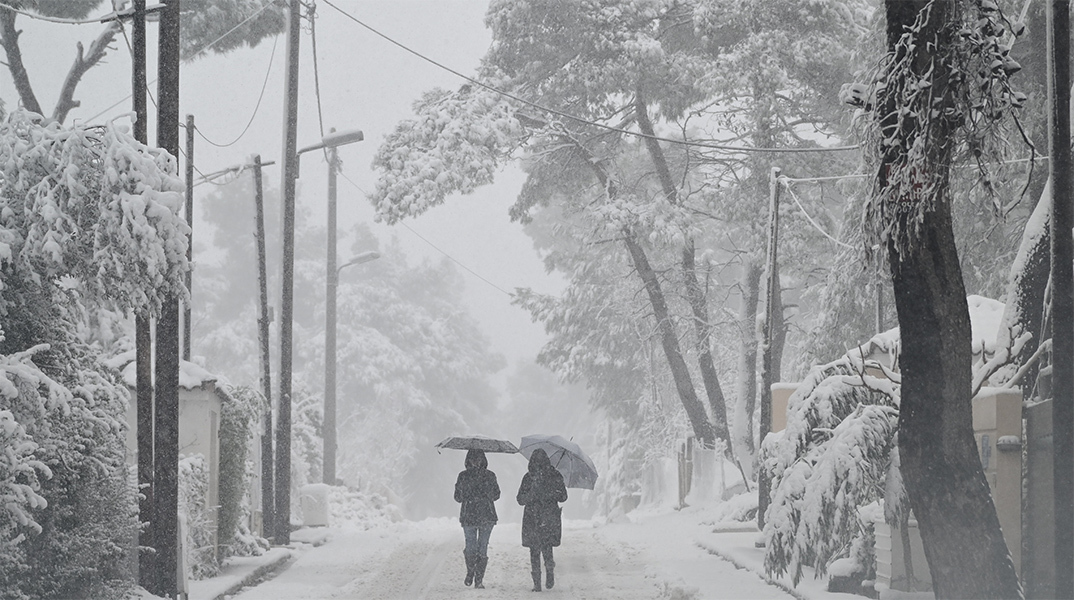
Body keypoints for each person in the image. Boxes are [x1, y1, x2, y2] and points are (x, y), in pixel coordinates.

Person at [516, 448, 568, 592]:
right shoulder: (529, 478)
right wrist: (533, 494)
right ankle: (539, 580)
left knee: (542, 547)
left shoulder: (553, 476)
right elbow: (520, 499)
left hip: (546, 517)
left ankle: (547, 573)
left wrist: (548, 493)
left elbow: (563, 496)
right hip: (535, 517)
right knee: (540, 547)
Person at [454, 449, 500, 588]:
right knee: (470, 547)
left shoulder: (490, 476)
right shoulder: (463, 476)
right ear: (468, 460)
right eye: (473, 459)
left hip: (486, 516)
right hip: (469, 516)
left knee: (482, 548)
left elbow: (496, 494)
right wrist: (467, 491)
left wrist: (484, 491)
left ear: (483, 460)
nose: (476, 462)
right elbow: (457, 497)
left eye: (478, 459)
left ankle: (479, 579)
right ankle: (470, 572)